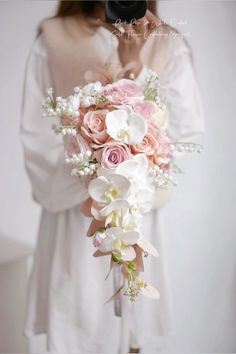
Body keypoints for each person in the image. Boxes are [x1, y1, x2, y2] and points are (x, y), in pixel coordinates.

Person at [20, 1, 204, 353]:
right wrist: (94, 170)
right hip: (74, 221)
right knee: (76, 323)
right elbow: (37, 133)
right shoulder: (55, 39)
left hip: (137, 219)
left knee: (131, 327)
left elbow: (185, 131)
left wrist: (132, 179)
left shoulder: (167, 42)